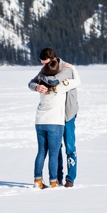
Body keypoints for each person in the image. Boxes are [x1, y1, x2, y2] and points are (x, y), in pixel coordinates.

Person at [29, 47, 79, 188]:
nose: (43, 66)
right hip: (54, 117)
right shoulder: (46, 70)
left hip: (67, 114)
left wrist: (41, 80)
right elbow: (31, 83)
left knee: (69, 147)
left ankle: (70, 179)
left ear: (54, 60)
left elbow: (54, 80)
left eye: (45, 63)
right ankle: (56, 178)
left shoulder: (66, 69)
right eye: (42, 64)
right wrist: (36, 87)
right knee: (55, 150)